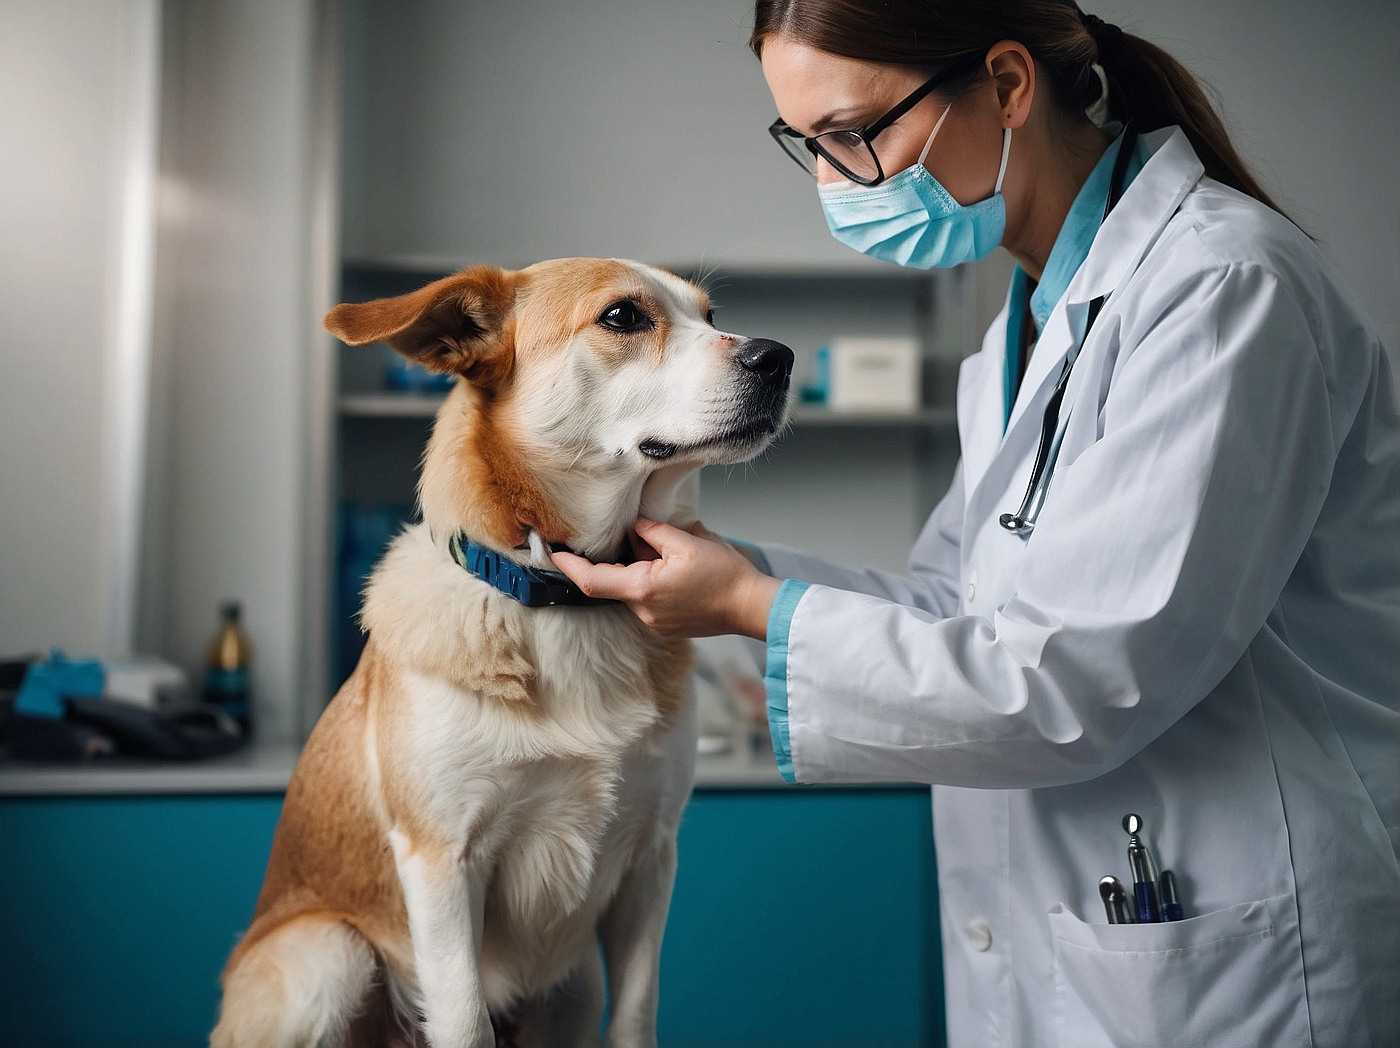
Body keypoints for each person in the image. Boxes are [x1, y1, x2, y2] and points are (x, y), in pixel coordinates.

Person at [553, 2, 1400, 1044]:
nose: (834, 183)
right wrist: (736, 575)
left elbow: (1074, 681)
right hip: (1095, 928)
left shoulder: (1222, 288)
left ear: (1005, 85)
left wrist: (750, 605)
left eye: (852, 135)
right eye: (805, 145)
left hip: (1246, 945)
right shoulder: (1024, 326)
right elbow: (955, 607)